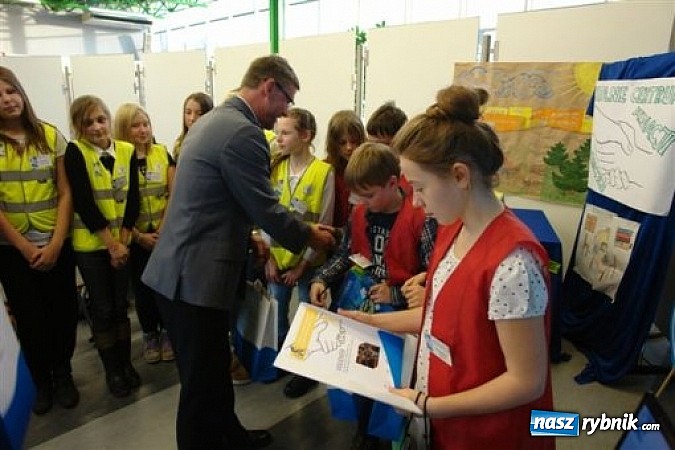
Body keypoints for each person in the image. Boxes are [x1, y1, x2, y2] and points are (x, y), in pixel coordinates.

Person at [341, 85, 554, 450]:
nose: (416, 202)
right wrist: (371, 322)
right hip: (447, 414)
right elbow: (438, 318)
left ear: (459, 176)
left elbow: (526, 381)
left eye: (420, 188)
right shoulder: (452, 228)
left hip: (488, 433)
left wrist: (429, 406)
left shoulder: (512, 265)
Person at [141, 55, 336, 450]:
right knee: (199, 387)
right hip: (191, 280)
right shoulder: (243, 133)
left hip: (185, 272)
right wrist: (310, 236)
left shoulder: (215, 120)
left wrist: (249, 238)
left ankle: (229, 435)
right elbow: (265, 206)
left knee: (214, 370)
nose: (285, 110)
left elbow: (213, 200)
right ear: (269, 86)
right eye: (287, 99)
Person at [310, 142, 436, 449]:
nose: (361, 202)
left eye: (368, 195)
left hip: (399, 319)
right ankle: (364, 430)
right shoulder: (360, 212)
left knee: (389, 380)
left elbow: (432, 276)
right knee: (358, 374)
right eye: (357, 196)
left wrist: (396, 294)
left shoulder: (422, 218)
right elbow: (346, 253)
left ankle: (385, 434)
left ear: (392, 183)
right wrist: (322, 278)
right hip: (361, 305)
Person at [0, 66, 79, 414]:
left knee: (62, 312)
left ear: (21, 92)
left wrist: (57, 242)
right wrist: (25, 247)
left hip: (55, 242)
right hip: (13, 250)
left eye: (11, 91)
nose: (7, 100)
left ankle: (63, 374)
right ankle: (41, 380)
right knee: (29, 317)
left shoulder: (50, 135)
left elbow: (65, 192)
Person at [64, 95, 141, 399]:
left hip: (122, 243)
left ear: (109, 120)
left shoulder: (126, 150)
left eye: (101, 119)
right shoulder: (76, 152)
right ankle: (112, 370)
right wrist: (111, 245)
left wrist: (124, 240)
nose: (96, 127)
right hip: (93, 245)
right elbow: (84, 202)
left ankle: (126, 363)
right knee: (103, 308)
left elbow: (132, 199)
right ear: (78, 127)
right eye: (88, 123)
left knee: (121, 305)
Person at [262, 107, 334, 394]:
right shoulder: (275, 168)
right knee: (277, 312)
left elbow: (324, 224)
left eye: (285, 133)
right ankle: (283, 357)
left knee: (307, 316)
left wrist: (303, 265)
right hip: (277, 259)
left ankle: (305, 369)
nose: (278, 139)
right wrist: (268, 257)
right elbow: (265, 216)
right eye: (277, 132)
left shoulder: (323, 172)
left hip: (309, 262)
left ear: (306, 136)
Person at [113, 103, 176, 364]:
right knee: (142, 289)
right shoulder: (118, 160)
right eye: (135, 126)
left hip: (163, 234)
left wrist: (161, 230)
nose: (143, 130)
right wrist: (139, 236)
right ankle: (150, 334)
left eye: (146, 124)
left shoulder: (162, 153)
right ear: (123, 129)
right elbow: (116, 204)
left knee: (166, 287)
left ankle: (169, 332)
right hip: (135, 237)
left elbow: (173, 193)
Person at [324, 110, 366, 229]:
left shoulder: (368, 168)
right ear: (333, 144)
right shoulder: (326, 168)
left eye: (354, 142)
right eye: (342, 143)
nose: (349, 147)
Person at [173, 92, 213, 161]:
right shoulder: (179, 143)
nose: (192, 118)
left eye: (199, 114)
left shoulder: (214, 145)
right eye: (188, 113)